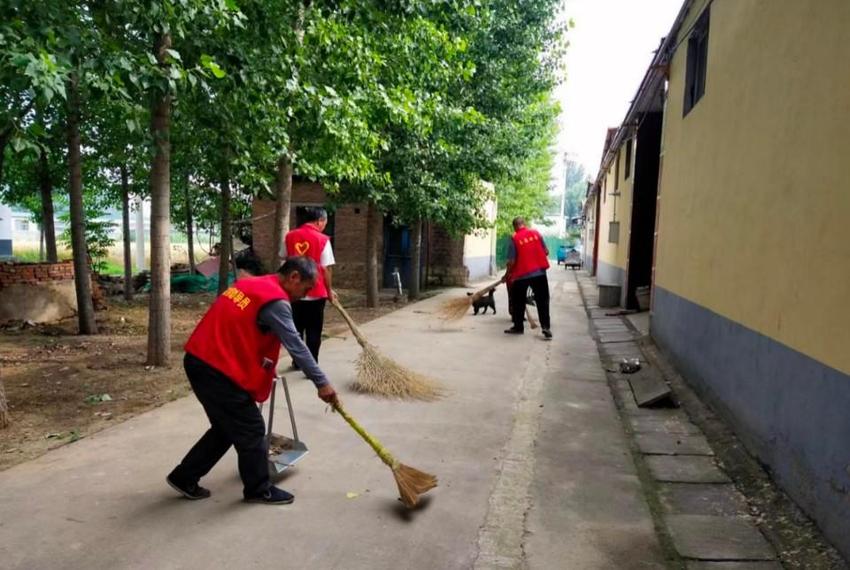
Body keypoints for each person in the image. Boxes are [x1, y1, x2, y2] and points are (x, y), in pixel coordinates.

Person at [166, 256, 339, 505]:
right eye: (307, 288)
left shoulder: (251, 284)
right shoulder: (277, 302)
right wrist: (321, 382)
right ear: (294, 277)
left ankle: (184, 476)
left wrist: (266, 367)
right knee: (251, 429)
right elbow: (297, 346)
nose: (306, 295)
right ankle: (258, 489)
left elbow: (242, 329)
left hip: (199, 359)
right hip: (215, 369)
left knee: (227, 428)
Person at [284, 207, 336, 366]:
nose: (324, 226)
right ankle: (311, 364)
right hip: (316, 292)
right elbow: (326, 269)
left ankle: (297, 362)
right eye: (324, 223)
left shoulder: (290, 236)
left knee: (296, 329)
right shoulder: (323, 240)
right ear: (319, 221)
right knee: (314, 330)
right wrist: (329, 291)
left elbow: (284, 258)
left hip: (294, 292)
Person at [502, 217, 552, 339]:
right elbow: (546, 251)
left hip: (521, 276)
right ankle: (545, 327)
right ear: (524, 224)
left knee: (518, 302)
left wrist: (507, 274)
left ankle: (518, 327)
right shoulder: (536, 234)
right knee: (542, 301)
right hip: (539, 273)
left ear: (514, 226)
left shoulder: (514, 238)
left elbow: (512, 261)